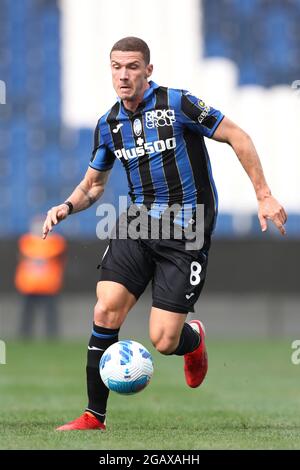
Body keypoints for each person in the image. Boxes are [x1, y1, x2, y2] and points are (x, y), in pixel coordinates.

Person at [42, 37, 287, 431]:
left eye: (133, 66)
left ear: (148, 71)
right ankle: (94, 415)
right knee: (105, 308)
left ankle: (193, 339)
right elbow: (93, 186)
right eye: (117, 66)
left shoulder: (179, 104)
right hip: (138, 223)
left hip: (187, 228)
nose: (124, 74)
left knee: (164, 340)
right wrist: (66, 206)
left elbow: (238, 136)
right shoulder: (108, 125)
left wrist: (264, 195)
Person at [15, 215, 67, 339]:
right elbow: (27, 253)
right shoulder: (26, 241)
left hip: (49, 285)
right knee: (27, 314)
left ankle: (52, 337)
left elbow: (51, 254)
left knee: (50, 314)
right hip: (29, 285)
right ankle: (25, 336)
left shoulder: (56, 242)